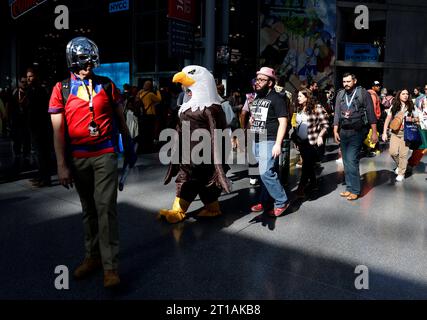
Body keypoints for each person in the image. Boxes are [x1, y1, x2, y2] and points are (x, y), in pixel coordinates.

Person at [49, 37, 131, 288]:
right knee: (89, 210)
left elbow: (122, 120)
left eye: (92, 63)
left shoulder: (106, 85)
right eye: (85, 63)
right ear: (73, 62)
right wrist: (62, 165)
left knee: (105, 208)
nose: (89, 68)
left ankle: (110, 267)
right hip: (78, 157)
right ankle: (92, 257)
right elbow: (58, 131)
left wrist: (129, 148)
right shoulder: (60, 89)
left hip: (105, 154)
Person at [159, 65, 231, 223]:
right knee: (186, 180)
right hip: (188, 156)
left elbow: (217, 136)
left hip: (206, 158)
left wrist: (219, 165)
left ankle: (209, 208)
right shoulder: (187, 108)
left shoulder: (212, 109)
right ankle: (183, 210)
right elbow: (180, 130)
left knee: (204, 183)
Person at [249, 67, 290, 217]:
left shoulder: (277, 99)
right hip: (257, 139)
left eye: (261, 80)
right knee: (263, 173)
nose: (257, 82)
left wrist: (278, 144)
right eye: (256, 79)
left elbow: (283, 122)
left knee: (266, 172)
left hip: (270, 140)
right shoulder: (257, 98)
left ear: (270, 83)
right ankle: (265, 201)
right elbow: (255, 119)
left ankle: (282, 201)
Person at [333, 73, 378, 200]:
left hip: (357, 132)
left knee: (352, 159)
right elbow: (337, 113)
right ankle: (349, 187)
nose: (346, 84)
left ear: (354, 81)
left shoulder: (363, 94)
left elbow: (371, 113)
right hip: (343, 131)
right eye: (344, 81)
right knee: (346, 161)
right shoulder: (340, 94)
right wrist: (335, 130)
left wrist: (374, 132)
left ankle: (355, 190)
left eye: (348, 81)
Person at [292, 88, 329, 198]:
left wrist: (320, 136)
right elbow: (296, 124)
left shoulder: (316, 108)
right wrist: (295, 138)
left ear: (307, 97)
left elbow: (325, 124)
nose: (298, 98)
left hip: (311, 141)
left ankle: (300, 189)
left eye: (300, 96)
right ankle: (313, 184)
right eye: (298, 96)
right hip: (301, 141)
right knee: (308, 164)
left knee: (306, 165)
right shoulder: (299, 108)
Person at [382, 89, 419, 181]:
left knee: (403, 154)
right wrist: (384, 132)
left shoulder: (411, 106)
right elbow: (388, 119)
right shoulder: (394, 106)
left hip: (406, 133)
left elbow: (417, 119)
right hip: (395, 133)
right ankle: (401, 165)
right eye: (403, 94)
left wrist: (411, 119)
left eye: (407, 94)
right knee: (393, 152)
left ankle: (401, 172)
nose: (405, 95)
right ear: (399, 95)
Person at [26, 67, 52, 187]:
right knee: (38, 153)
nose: (28, 78)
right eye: (27, 76)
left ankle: (45, 178)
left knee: (42, 153)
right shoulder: (31, 89)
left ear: (36, 76)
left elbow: (41, 109)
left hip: (41, 127)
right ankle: (41, 176)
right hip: (34, 126)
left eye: (30, 76)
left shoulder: (40, 90)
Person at [135, 80, 162, 153]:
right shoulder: (150, 94)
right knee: (150, 132)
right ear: (150, 87)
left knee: (144, 132)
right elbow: (159, 99)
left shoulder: (140, 93)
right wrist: (157, 91)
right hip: (150, 114)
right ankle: (149, 148)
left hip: (142, 115)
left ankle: (143, 147)